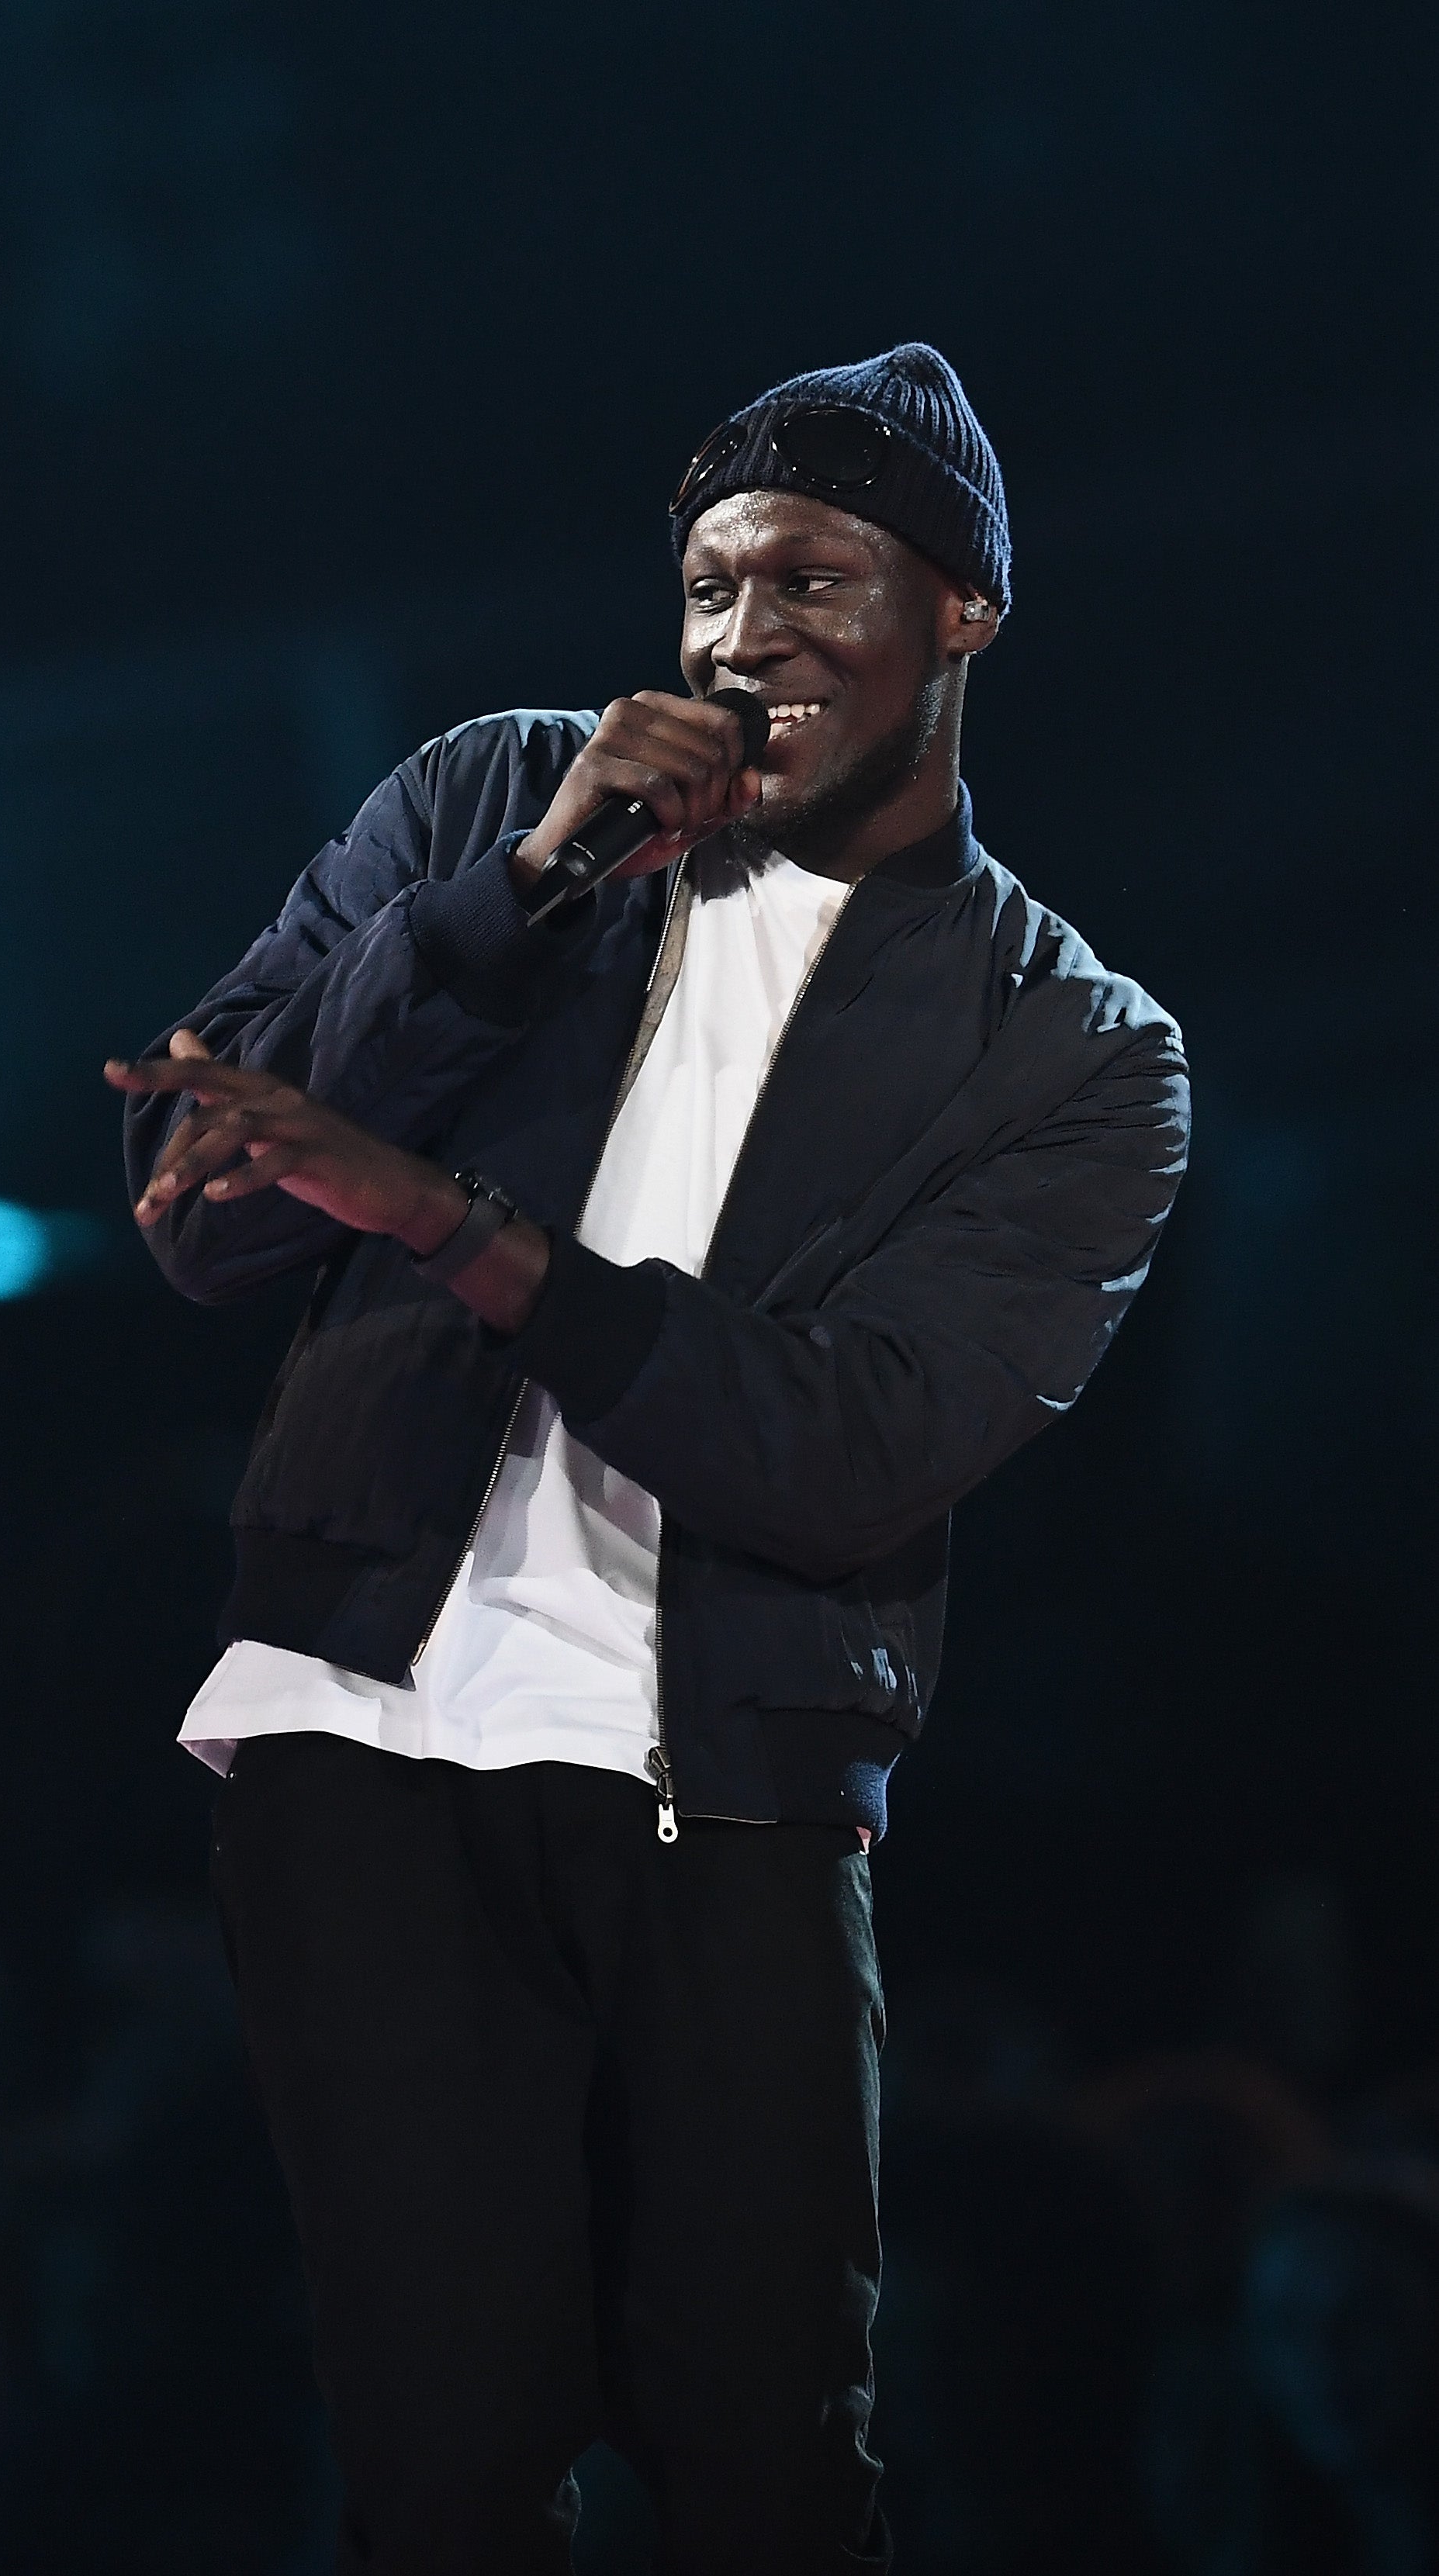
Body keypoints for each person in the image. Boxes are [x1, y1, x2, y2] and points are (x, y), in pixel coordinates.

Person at [111, 344, 1187, 2569]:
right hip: (367, 1735)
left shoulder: (1069, 1044)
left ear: (964, 607)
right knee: (444, 2463)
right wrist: (521, 889)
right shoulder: (493, 806)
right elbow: (202, 1202)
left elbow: (849, 1447)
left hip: (738, 1785)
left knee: (771, 2464)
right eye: (707, 580)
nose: (739, 630)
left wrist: (459, 1233)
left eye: (811, 574)